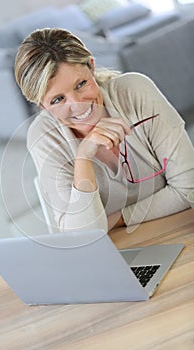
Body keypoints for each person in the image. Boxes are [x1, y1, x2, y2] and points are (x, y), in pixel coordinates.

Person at [14, 27, 194, 233]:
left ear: (91, 67)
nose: (78, 105)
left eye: (81, 84)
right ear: (42, 105)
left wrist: (116, 220)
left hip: (180, 230)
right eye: (58, 99)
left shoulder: (135, 91)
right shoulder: (43, 137)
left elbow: (189, 189)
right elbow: (81, 235)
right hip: (118, 254)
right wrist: (84, 156)